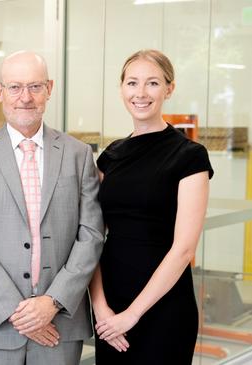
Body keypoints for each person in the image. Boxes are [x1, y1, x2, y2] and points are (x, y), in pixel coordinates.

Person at [0, 50, 104, 364]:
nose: (25, 97)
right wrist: (18, 312)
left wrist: (52, 302)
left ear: (49, 89)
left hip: (59, 323)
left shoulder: (78, 155)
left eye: (35, 87)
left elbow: (91, 235)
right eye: (15, 87)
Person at [89, 49, 213, 364]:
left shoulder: (190, 156)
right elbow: (91, 236)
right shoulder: (110, 155)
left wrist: (132, 315)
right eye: (132, 83)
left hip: (164, 307)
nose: (141, 93)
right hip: (111, 307)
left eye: (153, 83)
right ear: (122, 89)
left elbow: (184, 249)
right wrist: (102, 309)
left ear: (169, 89)